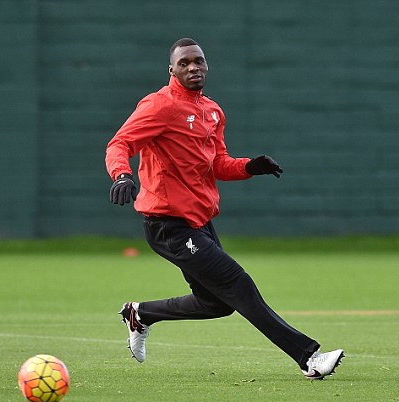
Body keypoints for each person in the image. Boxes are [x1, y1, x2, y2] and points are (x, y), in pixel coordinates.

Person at [106, 38, 344, 380]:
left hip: (199, 222)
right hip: (167, 223)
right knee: (237, 282)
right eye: (184, 63)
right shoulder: (159, 105)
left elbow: (217, 164)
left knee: (215, 303)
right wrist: (121, 174)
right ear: (171, 69)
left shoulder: (212, 111)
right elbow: (120, 143)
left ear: (207, 67)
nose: (193, 68)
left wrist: (249, 167)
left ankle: (140, 314)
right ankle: (309, 358)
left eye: (198, 62)